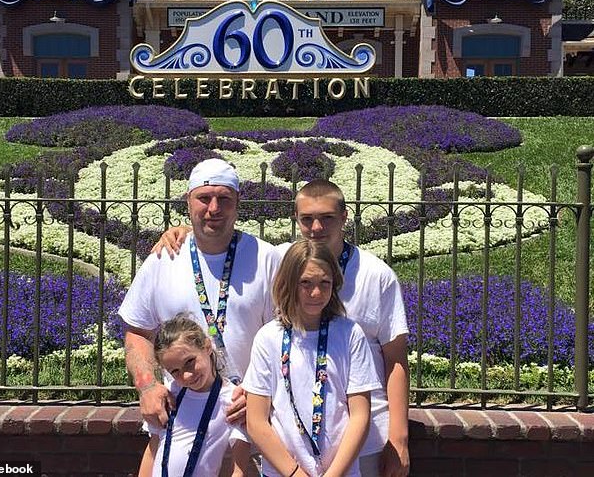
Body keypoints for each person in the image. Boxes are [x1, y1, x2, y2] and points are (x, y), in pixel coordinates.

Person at [153, 178, 410, 477]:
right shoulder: (281, 259)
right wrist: (186, 233)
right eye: (307, 219)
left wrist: (399, 437)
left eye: (327, 217)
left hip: (362, 442)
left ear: (344, 217)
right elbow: (225, 243)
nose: (317, 227)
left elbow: (396, 360)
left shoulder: (377, 276)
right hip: (290, 447)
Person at [119, 158, 282, 473]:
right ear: (188, 200)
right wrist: (148, 386)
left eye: (224, 199)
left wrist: (260, 390)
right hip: (182, 409)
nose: (213, 208)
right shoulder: (164, 258)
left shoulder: (266, 257)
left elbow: (287, 336)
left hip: (248, 410)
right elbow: (137, 332)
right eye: (204, 198)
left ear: (238, 203)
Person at [244, 240, 380, 477]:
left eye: (324, 283)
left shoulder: (349, 334)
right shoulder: (269, 337)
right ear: (288, 283)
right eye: (305, 283)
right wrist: (295, 473)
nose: (316, 293)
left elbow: (360, 415)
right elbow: (256, 421)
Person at [140, 314, 250, 477]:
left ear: (206, 347)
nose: (186, 376)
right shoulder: (169, 395)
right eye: (175, 371)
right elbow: (153, 449)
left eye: (189, 362)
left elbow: (238, 469)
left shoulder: (231, 399)